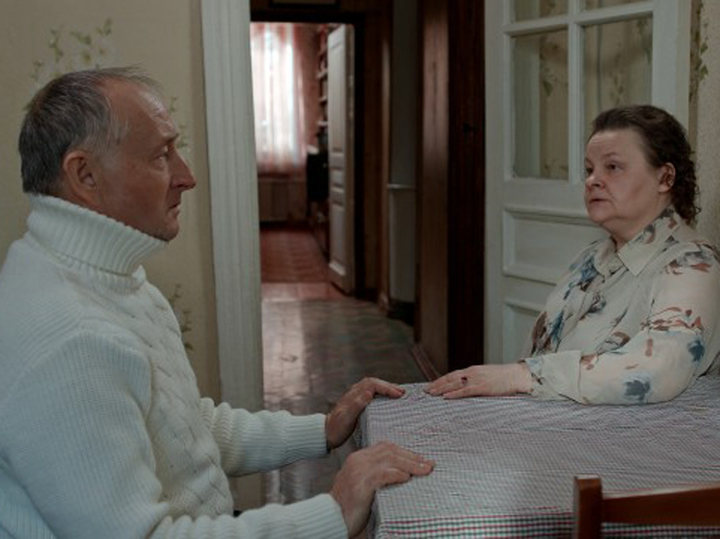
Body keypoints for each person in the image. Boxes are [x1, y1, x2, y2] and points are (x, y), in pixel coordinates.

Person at [0, 67, 434, 538]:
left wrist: (323, 429)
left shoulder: (111, 283)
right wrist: (333, 513)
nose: (186, 177)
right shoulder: (72, 339)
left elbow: (186, 431)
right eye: (162, 155)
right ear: (84, 174)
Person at [428, 104, 720, 405]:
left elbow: (660, 368)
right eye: (590, 170)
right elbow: (538, 353)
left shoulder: (693, 265)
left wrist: (520, 376)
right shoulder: (590, 258)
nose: (593, 180)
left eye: (613, 167)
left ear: (665, 178)